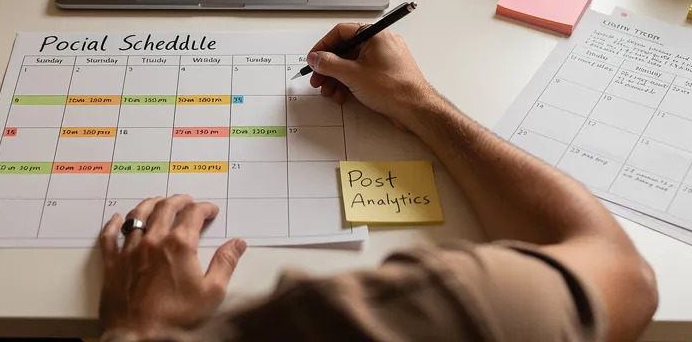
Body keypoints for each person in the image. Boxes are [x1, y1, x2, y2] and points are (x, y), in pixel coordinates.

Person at [97, 26, 658, 341]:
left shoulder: (321, 320)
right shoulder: (470, 310)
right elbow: (625, 277)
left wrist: (137, 325)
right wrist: (419, 102)